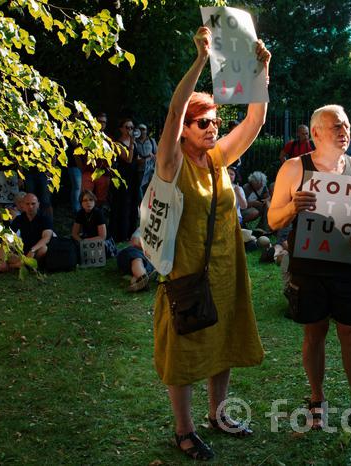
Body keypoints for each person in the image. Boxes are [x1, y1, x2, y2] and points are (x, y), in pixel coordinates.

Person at [152, 26, 269, 461]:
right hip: (185, 274)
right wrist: (201, 59)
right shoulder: (172, 162)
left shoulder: (218, 159)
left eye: (216, 122)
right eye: (203, 123)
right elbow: (172, 113)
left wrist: (261, 73)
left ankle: (217, 414)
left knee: (222, 342)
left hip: (226, 268)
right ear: (185, 129)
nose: (212, 129)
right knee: (183, 349)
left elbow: (254, 121)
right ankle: (184, 430)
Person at [268, 104, 351, 433]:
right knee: (313, 333)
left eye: (346, 126)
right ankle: (317, 400)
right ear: (316, 133)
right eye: (336, 127)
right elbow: (273, 219)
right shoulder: (293, 168)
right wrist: (293, 206)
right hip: (309, 266)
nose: (344, 132)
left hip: (347, 266)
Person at [0, 193, 53, 271]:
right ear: (23, 205)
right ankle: (22, 265)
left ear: (38, 204)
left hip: (37, 250)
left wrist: (33, 250)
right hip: (24, 252)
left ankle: (12, 267)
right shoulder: (19, 219)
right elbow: (9, 236)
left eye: (33, 204)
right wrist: (1, 254)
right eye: (27, 204)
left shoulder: (45, 218)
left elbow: (46, 238)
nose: (30, 207)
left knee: (43, 249)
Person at [118, 227, 156, 292]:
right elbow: (135, 241)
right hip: (136, 253)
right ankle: (141, 278)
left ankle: (139, 280)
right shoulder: (147, 224)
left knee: (147, 264)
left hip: (151, 260)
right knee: (136, 258)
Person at [137, 123, 158, 199]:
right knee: (140, 192)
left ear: (146, 130)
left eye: (143, 129)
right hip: (139, 171)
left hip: (150, 171)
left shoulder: (152, 141)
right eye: (140, 129)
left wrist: (153, 156)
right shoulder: (135, 142)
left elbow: (157, 154)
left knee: (151, 191)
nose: (142, 131)